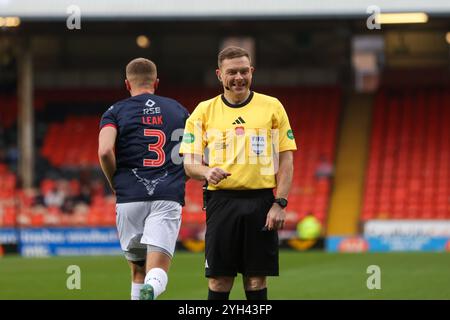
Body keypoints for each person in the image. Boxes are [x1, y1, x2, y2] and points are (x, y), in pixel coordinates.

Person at [180, 46, 297, 300]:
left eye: (244, 71)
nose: (239, 77)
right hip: (221, 202)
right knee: (220, 280)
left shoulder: (272, 107)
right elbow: (190, 164)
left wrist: (280, 202)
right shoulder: (203, 111)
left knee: (256, 279)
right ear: (219, 75)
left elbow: (286, 160)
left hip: (262, 202)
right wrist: (206, 172)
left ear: (252, 71)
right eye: (232, 72)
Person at [98, 58, 189, 300]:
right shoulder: (178, 109)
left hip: (129, 198)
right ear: (156, 83)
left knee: (138, 270)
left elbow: (105, 151)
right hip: (167, 195)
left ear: (127, 84)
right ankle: (152, 288)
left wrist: (114, 182)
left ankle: (144, 290)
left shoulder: (114, 111)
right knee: (156, 270)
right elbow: (195, 154)